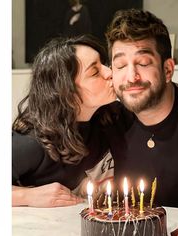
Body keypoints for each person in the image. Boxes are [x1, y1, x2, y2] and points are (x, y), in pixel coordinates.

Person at [104, 9, 178, 235]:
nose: (131, 77)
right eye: (120, 66)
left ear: (168, 69)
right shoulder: (109, 121)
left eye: (144, 63)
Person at [12, 34, 117, 207]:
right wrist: (27, 196)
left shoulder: (111, 116)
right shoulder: (32, 143)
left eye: (103, 63)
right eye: (95, 71)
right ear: (66, 92)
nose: (110, 72)